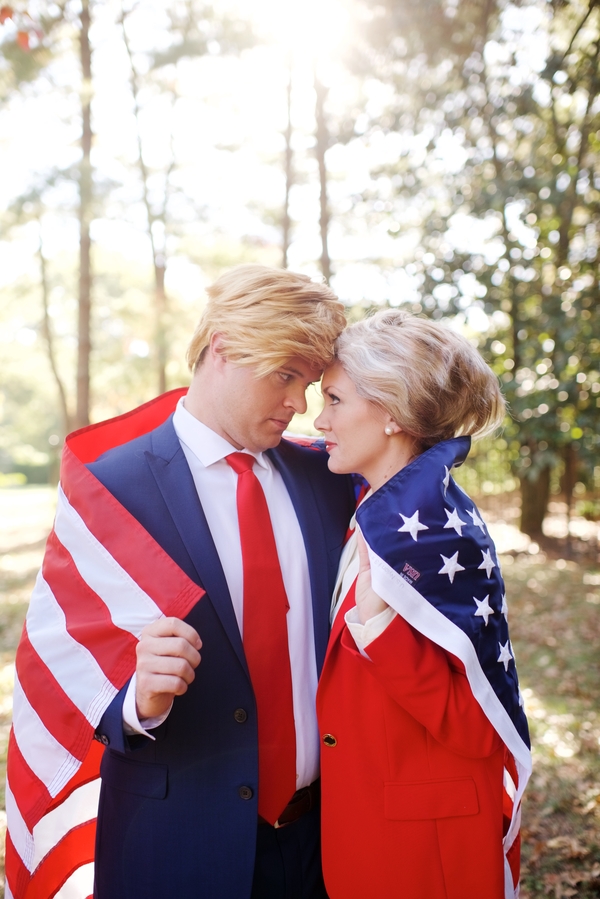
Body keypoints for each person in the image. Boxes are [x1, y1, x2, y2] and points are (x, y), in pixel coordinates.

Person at [5, 265, 356, 899]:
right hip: (175, 842)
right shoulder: (112, 485)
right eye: (285, 375)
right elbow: (58, 665)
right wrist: (138, 700)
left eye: (308, 384)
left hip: (325, 842)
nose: (299, 404)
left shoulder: (327, 478)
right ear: (223, 346)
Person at [313, 309, 531, 899]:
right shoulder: (375, 513)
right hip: (370, 830)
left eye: (334, 399)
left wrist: (381, 628)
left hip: (428, 850)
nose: (319, 419)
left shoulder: (437, 534)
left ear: (390, 412)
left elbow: (481, 725)